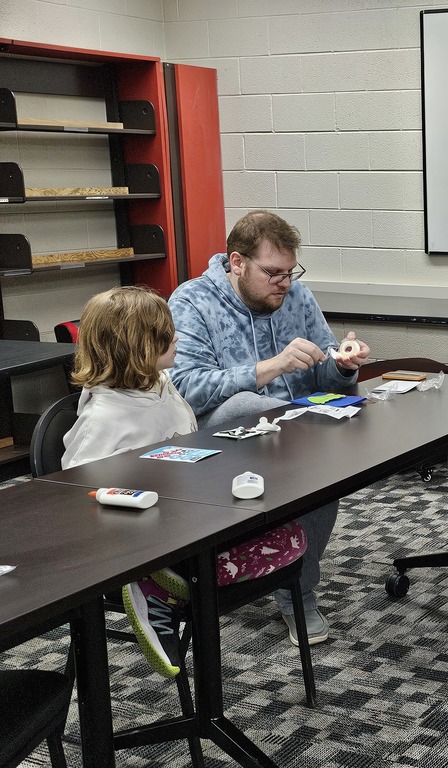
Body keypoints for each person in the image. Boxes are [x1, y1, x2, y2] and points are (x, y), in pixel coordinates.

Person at [63, 286, 307, 678]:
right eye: (164, 334)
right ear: (134, 345)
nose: (176, 338)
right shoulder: (104, 420)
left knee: (289, 537)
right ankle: (151, 588)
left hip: (188, 519)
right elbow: (80, 497)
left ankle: (160, 589)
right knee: (277, 544)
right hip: (148, 541)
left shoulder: (161, 383)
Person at [169, 210, 369, 647]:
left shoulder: (296, 297)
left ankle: (298, 589)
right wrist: (268, 368)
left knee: (312, 450)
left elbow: (323, 375)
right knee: (250, 405)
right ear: (236, 262)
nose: (285, 282)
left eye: (291, 271)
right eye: (273, 273)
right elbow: (185, 388)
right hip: (215, 436)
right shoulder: (192, 301)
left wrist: (343, 365)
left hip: (295, 428)